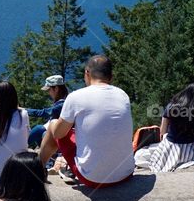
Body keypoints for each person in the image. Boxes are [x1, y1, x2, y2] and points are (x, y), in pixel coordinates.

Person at [38, 55, 134, 188]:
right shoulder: (123, 95)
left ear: (87, 73)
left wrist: (56, 125)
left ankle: (37, 170)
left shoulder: (76, 97)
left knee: (54, 125)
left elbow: (59, 134)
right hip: (126, 173)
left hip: (92, 178)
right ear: (111, 76)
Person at [134, 83, 194, 173]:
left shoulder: (171, 107)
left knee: (141, 155)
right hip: (191, 149)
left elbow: (162, 131)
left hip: (170, 146)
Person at [27, 75, 68, 149]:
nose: (48, 93)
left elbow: (44, 112)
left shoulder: (62, 104)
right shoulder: (64, 101)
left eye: (49, 90)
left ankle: (19, 145)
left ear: (56, 88)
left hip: (58, 135)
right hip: (58, 133)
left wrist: (24, 110)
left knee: (39, 129)